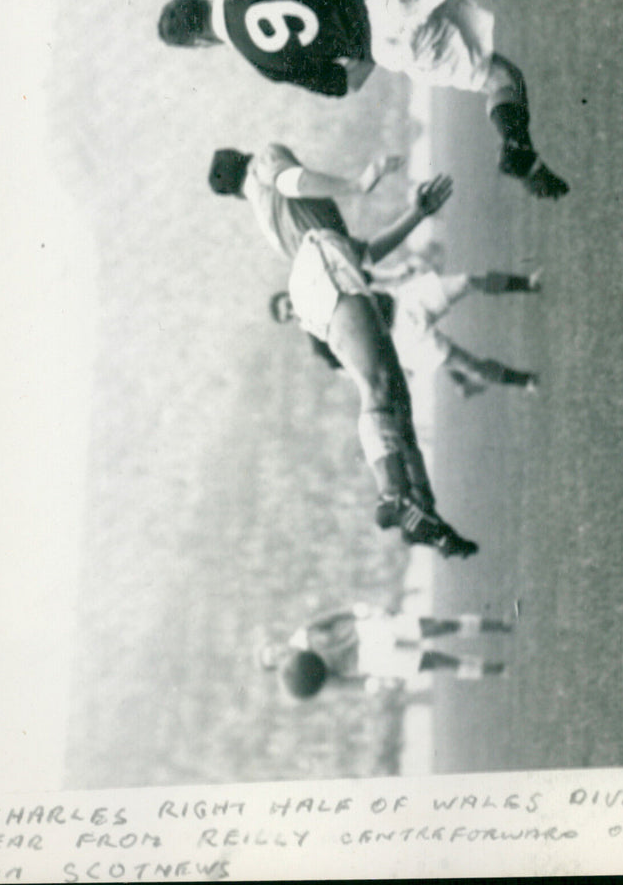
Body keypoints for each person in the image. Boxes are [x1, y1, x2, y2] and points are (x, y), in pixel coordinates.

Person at [160, 0, 623, 200]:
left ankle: (518, 145)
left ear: (199, 43)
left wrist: (373, 47)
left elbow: (344, 83)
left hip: (388, 46)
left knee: (500, 79)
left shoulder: (260, 62)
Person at [207, 141, 477, 559]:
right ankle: (393, 497)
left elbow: (362, 253)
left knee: (395, 401)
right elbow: (291, 179)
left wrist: (417, 215)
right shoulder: (265, 162)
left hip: (323, 269)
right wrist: (360, 182)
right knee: (378, 388)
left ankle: (425, 519)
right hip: (322, 264)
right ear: (243, 155)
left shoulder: (269, 213)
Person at [269, 266, 542, 397]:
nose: (293, 311)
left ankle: (528, 283)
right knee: (468, 364)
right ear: (289, 321)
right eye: (288, 315)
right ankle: (526, 381)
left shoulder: (324, 286)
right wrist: (392, 373)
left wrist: (397, 272)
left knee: (466, 281)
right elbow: (348, 369)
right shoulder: (318, 342)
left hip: (402, 301)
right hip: (402, 340)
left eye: (289, 304)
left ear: (292, 295)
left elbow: (364, 275)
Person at [259, 601, 519, 698]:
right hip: (371, 661)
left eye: (273, 649)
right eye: (274, 659)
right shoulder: (306, 677)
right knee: (437, 662)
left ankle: (501, 625)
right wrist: (376, 685)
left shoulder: (306, 630)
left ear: (277, 642)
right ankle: (498, 669)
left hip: (371, 630)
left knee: (439, 626)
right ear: (278, 668)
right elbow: (344, 687)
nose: (278, 653)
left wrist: (368, 610)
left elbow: (339, 613)